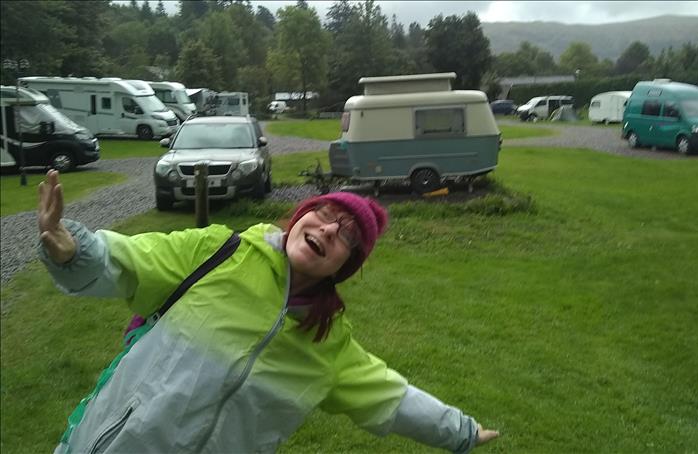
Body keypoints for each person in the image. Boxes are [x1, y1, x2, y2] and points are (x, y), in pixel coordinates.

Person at [38, 169, 499, 453]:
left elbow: (390, 398)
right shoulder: (219, 251)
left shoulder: (324, 341)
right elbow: (129, 260)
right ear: (300, 216)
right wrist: (74, 250)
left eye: (348, 237)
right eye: (324, 213)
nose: (330, 230)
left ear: (344, 266)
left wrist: (458, 430)